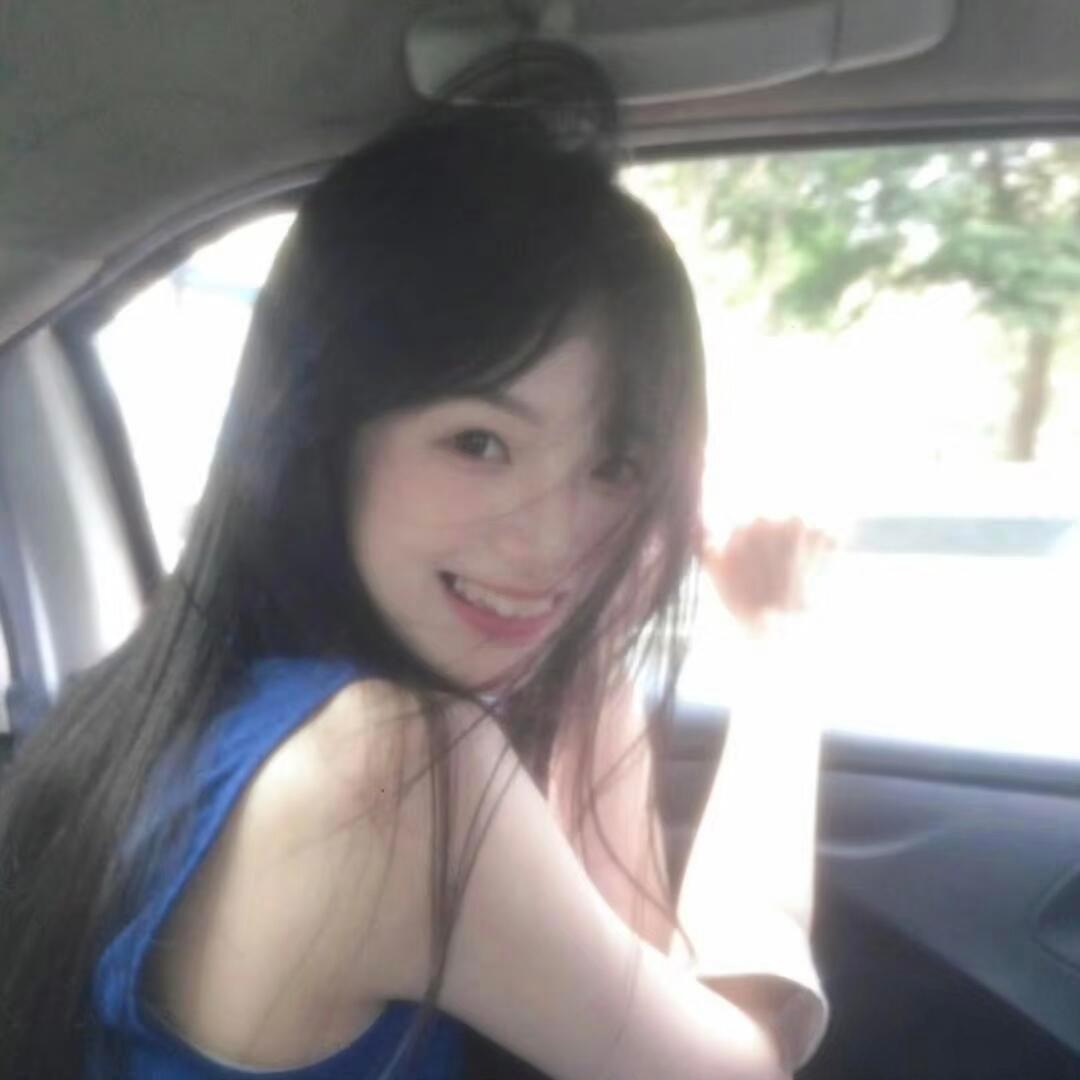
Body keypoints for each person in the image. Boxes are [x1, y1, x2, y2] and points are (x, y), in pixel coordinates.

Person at [0, 54, 832, 1080]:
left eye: (614, 467)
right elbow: (737, 1067)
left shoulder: (178, 701)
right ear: (321, 432)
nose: (554, 542)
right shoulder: (389, 771)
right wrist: (784, 641)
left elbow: (626, 968)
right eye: (479, 442)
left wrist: (585, 635)